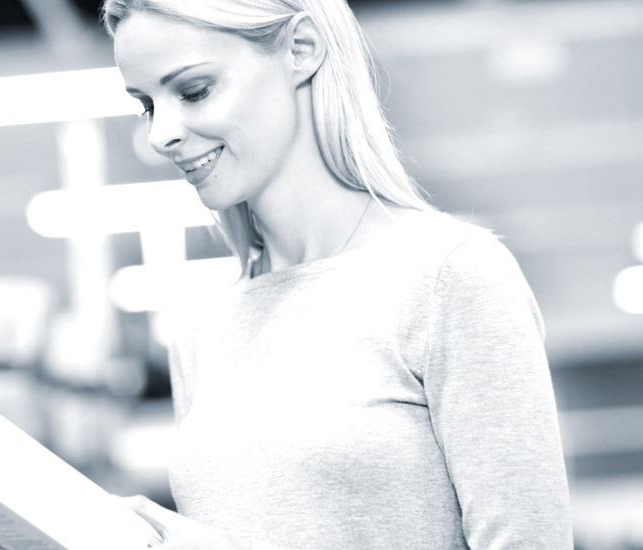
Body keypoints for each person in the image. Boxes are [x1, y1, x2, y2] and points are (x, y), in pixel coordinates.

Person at [99, 0, 573, 548]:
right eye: (146, 106)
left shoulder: (449, 277)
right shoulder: (202, 331)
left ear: (301, 49)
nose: (161, 135)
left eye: (194, 90)